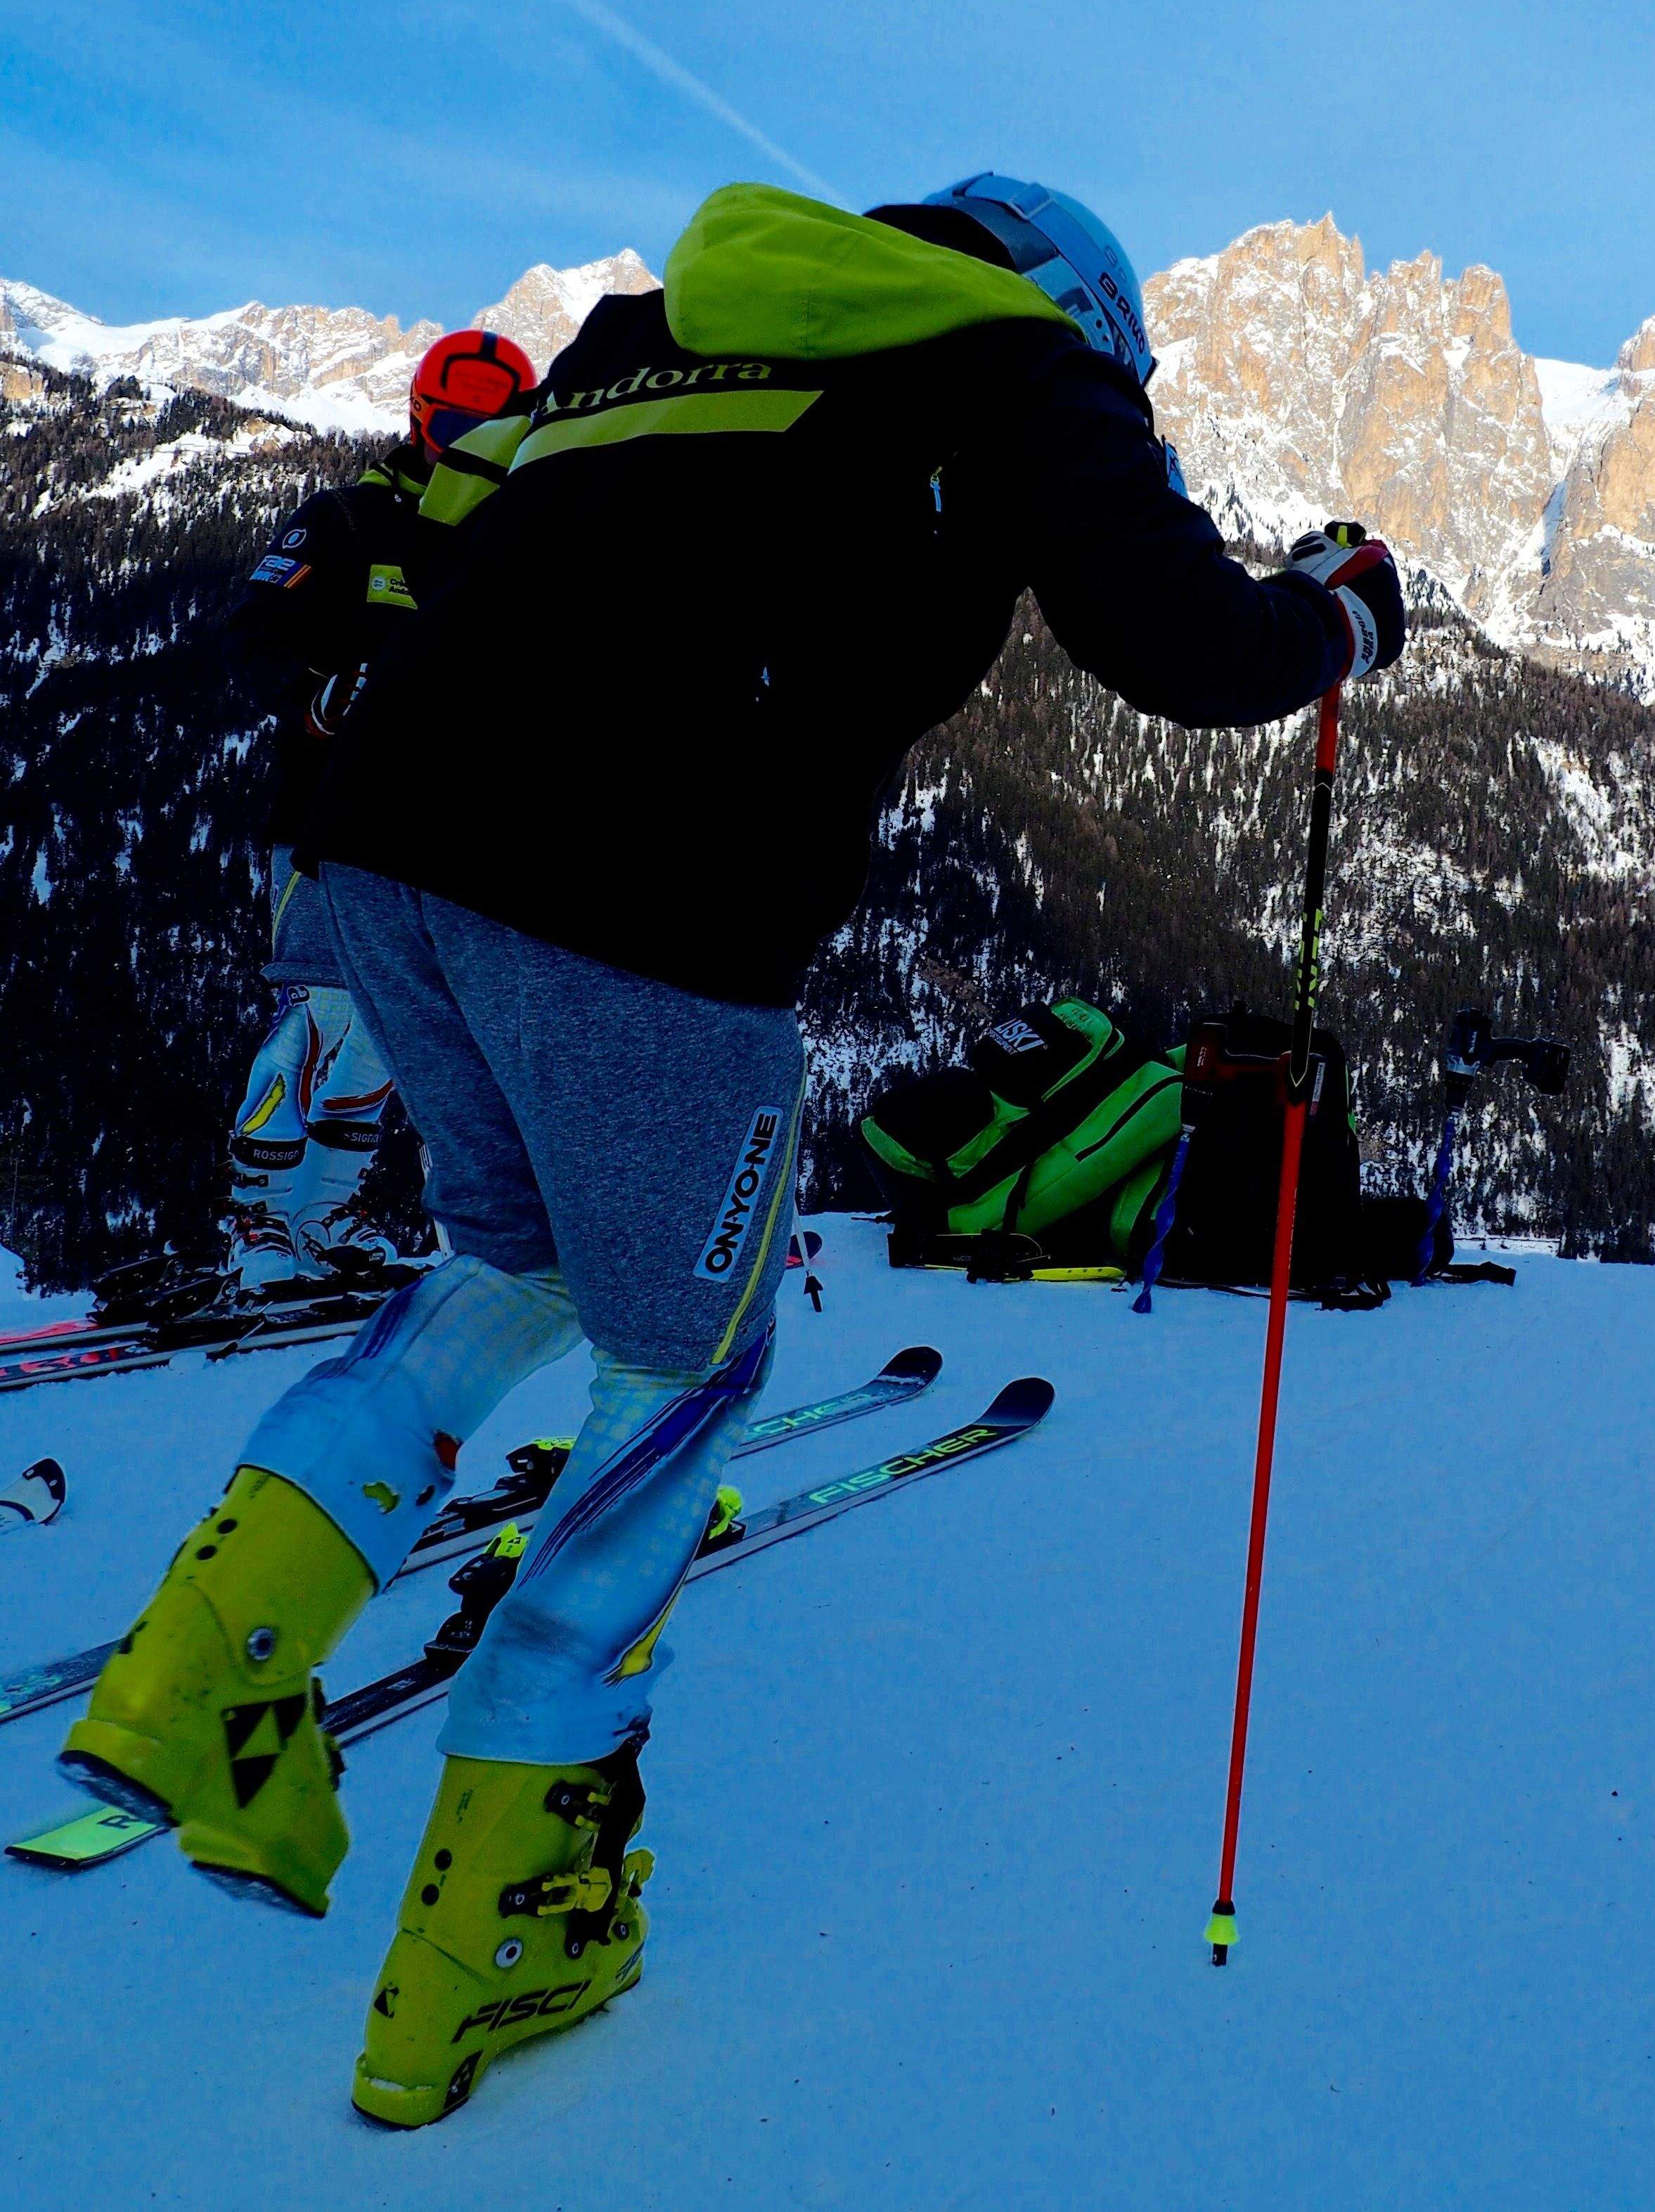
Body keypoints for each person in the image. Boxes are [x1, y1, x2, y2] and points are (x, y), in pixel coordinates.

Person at [62, 174, 1405, 2126]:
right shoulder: (1025, 359)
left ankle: (192, 1680)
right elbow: (1186, 640)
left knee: (511, 1271)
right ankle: (498, 1914)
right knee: (683, 1369)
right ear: (1089, 311)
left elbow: (459, 540)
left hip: (390, 857)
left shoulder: (650, 327)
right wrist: (1343, 610)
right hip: (640, 909)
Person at [220, 329, 536, 1288]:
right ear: (416, 418)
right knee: (318, 1008)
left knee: (387, 1027)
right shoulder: (351, 522)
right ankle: (258, 1223)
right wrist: (320, 693)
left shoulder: (513, 531)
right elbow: (253, 629)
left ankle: (325, 1215)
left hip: (441, 836)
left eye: (493, 425)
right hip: (328, 821)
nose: (469, 440)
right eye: (452, 422)